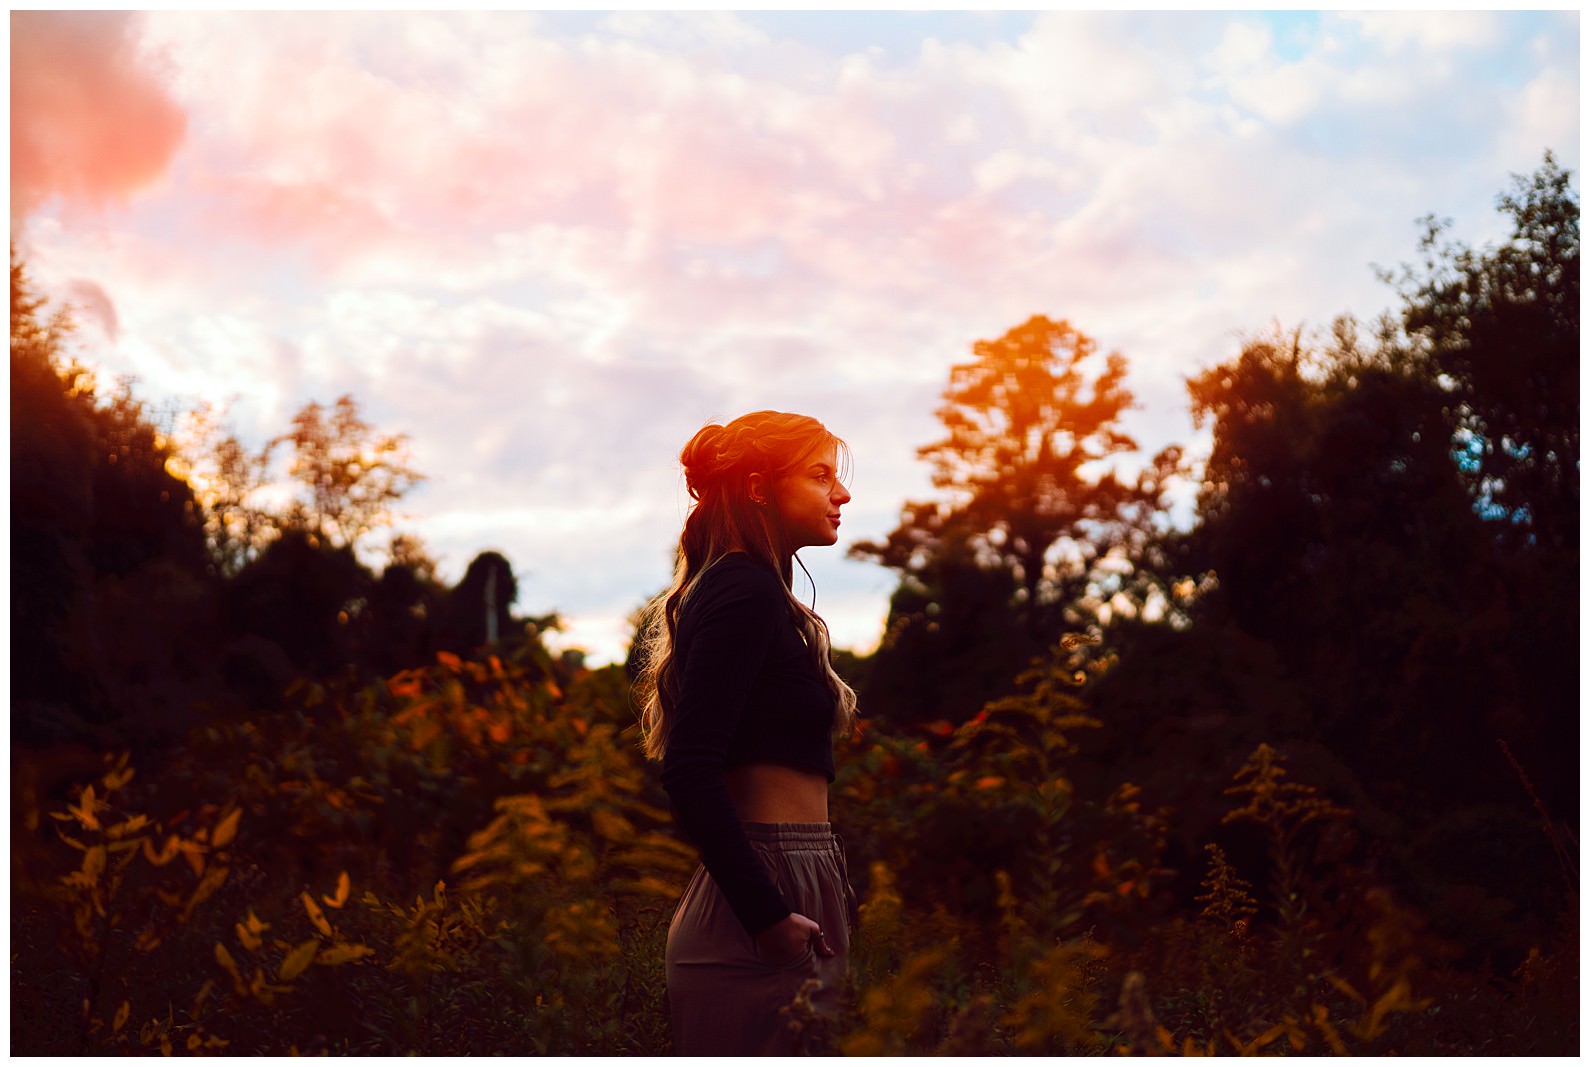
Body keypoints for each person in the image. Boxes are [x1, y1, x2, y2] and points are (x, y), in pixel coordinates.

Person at [635, 410, 860, 1056]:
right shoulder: (741, 591)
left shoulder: (758, 591)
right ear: (759, 487)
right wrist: (765, 915)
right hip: (762, 898)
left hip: (795, 875)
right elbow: (689, 769)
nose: (841, 494)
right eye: (820, 476)